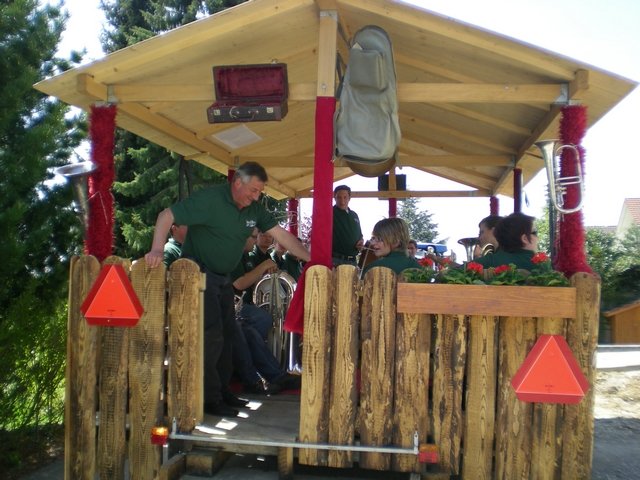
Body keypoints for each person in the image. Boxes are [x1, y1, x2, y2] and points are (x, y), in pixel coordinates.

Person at [144, 161, 310, 417]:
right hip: (199, 274)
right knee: (212, 336)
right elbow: (167, 215)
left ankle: (222, 392)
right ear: (237, 183)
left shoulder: (254, 209)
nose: (256, 197)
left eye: (260, 192)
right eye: (253, 190)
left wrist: (312, 259)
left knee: (229, 335)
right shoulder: (210, 199)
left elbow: (282, 235)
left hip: (223, 278)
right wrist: (156, 249)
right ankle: (210, 399)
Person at [231, 230, 301, 394]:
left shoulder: (245, 256)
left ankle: (273, 376)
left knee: (250, 332)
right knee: (261, 320)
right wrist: (263, 267)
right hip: (230, 308)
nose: (255, 240)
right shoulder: (234, 255)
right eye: (253, 237)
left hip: (234, 309)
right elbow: (239, 284)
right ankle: (258, 377)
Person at [474, 212, 538, 271]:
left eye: (481, 232)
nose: (538, 238)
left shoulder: (486, 262)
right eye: (535, 233)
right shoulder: (540, 265)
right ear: (525, 238)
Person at [332, 185, 364, 266]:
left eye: (345, 197)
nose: (342, 201)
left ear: (349, 198)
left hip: (353, 260)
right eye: (339, 197)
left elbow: (360, 235)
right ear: (334, 198)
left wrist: (361, 242)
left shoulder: (354, 215)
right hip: (336, 260)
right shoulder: (330, 212)